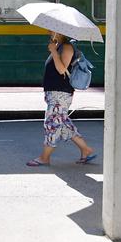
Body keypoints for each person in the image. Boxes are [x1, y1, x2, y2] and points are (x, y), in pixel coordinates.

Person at [27, 32, 97, 167]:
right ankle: (85, 149)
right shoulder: (59, 46)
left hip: (60, 93)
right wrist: (54, 49)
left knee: (52, 124)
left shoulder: (66, 47)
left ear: (60, 32)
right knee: (63, 123)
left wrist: (53, 51)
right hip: (55, 93)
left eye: (51, 29)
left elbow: (61, 69)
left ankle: (44, 157)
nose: (48, 32)